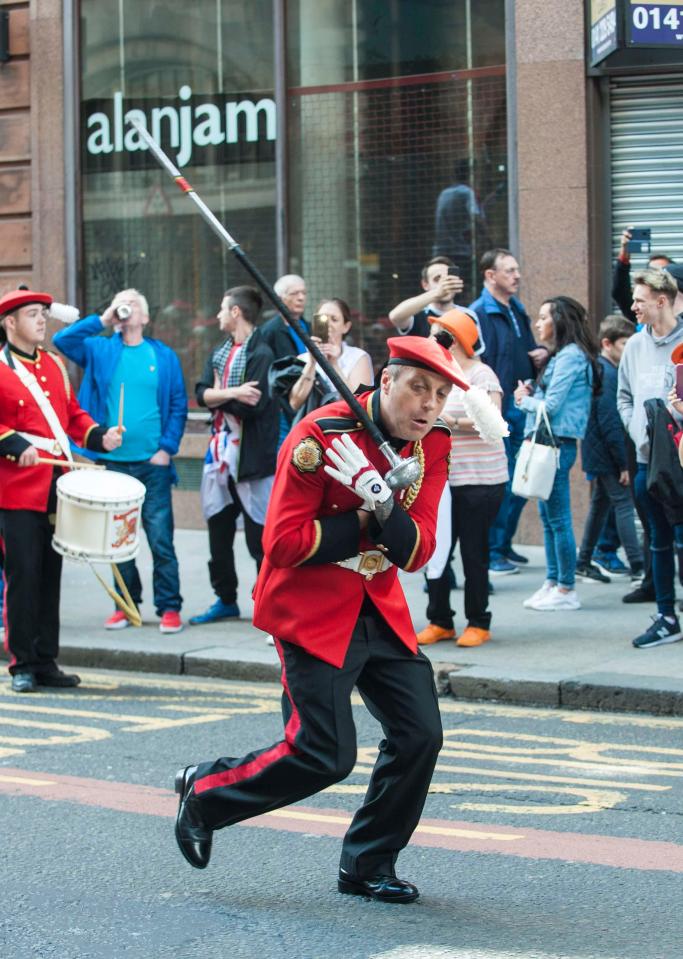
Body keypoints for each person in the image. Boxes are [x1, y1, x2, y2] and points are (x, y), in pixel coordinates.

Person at [173, 335, 474, 904]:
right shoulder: (319, 435)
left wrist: (386, 505)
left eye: (438, 394)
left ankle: (366, 862)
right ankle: (205, 792)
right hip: (309, 607)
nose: (429, 406)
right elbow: (282, 543)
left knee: (420, 736)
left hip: (377, 604)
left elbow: (419, 551)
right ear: (385, 382)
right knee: (323, 754)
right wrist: (367, 515)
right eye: (417, 388)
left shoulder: (431, 444)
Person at [0, 288, 122, 693]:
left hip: (57, 484)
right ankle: (21, 663)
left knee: (51, 576)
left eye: (43, 314)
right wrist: (14, 444)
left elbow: (71, 415)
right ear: (10, 322)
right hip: (16, 490)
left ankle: (45, 659)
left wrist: (99, 435)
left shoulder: (53, 363)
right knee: (23, 575)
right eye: (32, 314)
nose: (41, 321)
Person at [52, 288, 187, 634]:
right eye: (122, 305)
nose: (128, 312)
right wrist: (104, 318)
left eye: (134, 306)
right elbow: (63, 339)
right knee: (117, 542)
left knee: (160, 539)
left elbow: (177, 404)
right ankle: (126, 607)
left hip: (152, 464)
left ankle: (169, 607)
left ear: (144, 318)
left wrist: (166, 449)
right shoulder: (100, 349)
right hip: (113, 465)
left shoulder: (164, 356)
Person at [417, 309, 507, 648]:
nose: (429, 339)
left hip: (480, 480)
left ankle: (478, 621)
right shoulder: (433, 375)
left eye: (436, 333)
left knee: (473, 552)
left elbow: (495, 421)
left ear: (451, 339)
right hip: (439, 481)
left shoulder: (480, 375)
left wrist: (450, 423)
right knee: (434, 549)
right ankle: (439, 620)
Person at [189, 287, 278, 625]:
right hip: (219, 455)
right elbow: (200, 393)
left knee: (260, 539)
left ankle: (267, 606)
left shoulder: (262, 354)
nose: (217, 316)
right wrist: (230, 391)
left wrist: (217, 395)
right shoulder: (220, 352)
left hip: (251, 459)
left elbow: (251, 405)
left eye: (222, 309)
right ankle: (225, 599)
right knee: (218, 532)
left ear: (237, 313)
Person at [514, 296, 599, 612]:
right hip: (552, 443)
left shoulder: (571, 357)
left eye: (543, 317)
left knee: (559, 518)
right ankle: (553, 582)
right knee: (549, 519)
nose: (538, 323)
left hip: (557, 444)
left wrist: (524, 401)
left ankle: (566, 588)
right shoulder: (564, 355)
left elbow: (551, 408)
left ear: (560, 320)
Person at [617, 269, 683, 648]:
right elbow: (623, 398)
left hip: (681, 460)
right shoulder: (635, 347)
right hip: (646, 461)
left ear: (662, 301)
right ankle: (666, 616)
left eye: (639, 300)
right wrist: (638, 431)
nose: (633, 306)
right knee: (657, 539)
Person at [470, 248, 546, 574]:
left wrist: (538, 355)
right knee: (502, 482)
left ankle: (503, 544)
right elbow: (477, 364)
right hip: (498, 409)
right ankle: (493, 550)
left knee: (520, 480)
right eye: (509, 271)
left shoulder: (516, 307)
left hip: (521, 404)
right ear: (490, 275)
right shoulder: (479, 313)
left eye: (517, 269)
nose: (517, 276)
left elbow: (523, 349)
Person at [576, 315, 644, 583]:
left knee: (600, 505)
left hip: (599, 453)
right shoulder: (608, 373)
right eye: (625, 343)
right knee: (624, 505)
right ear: (607, 343)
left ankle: (583, 561)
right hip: (607, 454)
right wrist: (623, 463)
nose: (630, 349)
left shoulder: (604, 370)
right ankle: (639, 566)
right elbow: (610, 422)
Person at [288, 298, 374, 414]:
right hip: (312, 427)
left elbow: (361, 403)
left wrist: (334, 364)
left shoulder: (359, 357)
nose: (328, 324)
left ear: (346, 326)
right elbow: (295, 403)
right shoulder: (303, 359)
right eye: (323, 319)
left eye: (334, 319)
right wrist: (312, 363)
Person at [258, 274, 310, 449]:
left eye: (303, 293)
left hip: (307, 402)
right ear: (280, 298)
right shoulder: (269, 332)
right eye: (295, 293)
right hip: (281, 409)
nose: (301, 298)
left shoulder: (308, 327)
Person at [388, 256, 464, 337]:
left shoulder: (467, 315)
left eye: (447, 279)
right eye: (437, 279)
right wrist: (437, 293)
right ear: (425, 284)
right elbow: (395, 316)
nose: (443, 283)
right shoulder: (417, 316)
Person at [611, 227, 673, 322]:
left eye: (663, 272)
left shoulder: (678, 308)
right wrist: (625, 253)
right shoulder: (641, 310)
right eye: (652, 271)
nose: (657, 276)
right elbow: (620, 292)